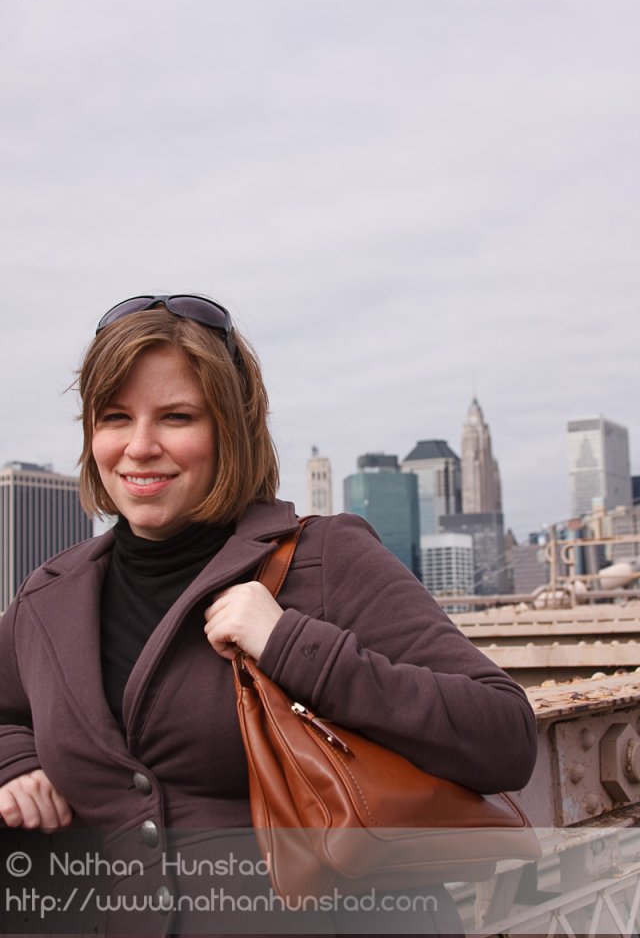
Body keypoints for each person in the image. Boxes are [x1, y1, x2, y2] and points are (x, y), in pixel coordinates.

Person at [0, 294, 537, 936]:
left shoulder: (326, 556)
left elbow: (504, 736)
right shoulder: (50, 596)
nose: (139, 447)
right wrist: (13, 762)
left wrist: (290, 643)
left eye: (176, 417)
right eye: (115, 417)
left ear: (232, 426)